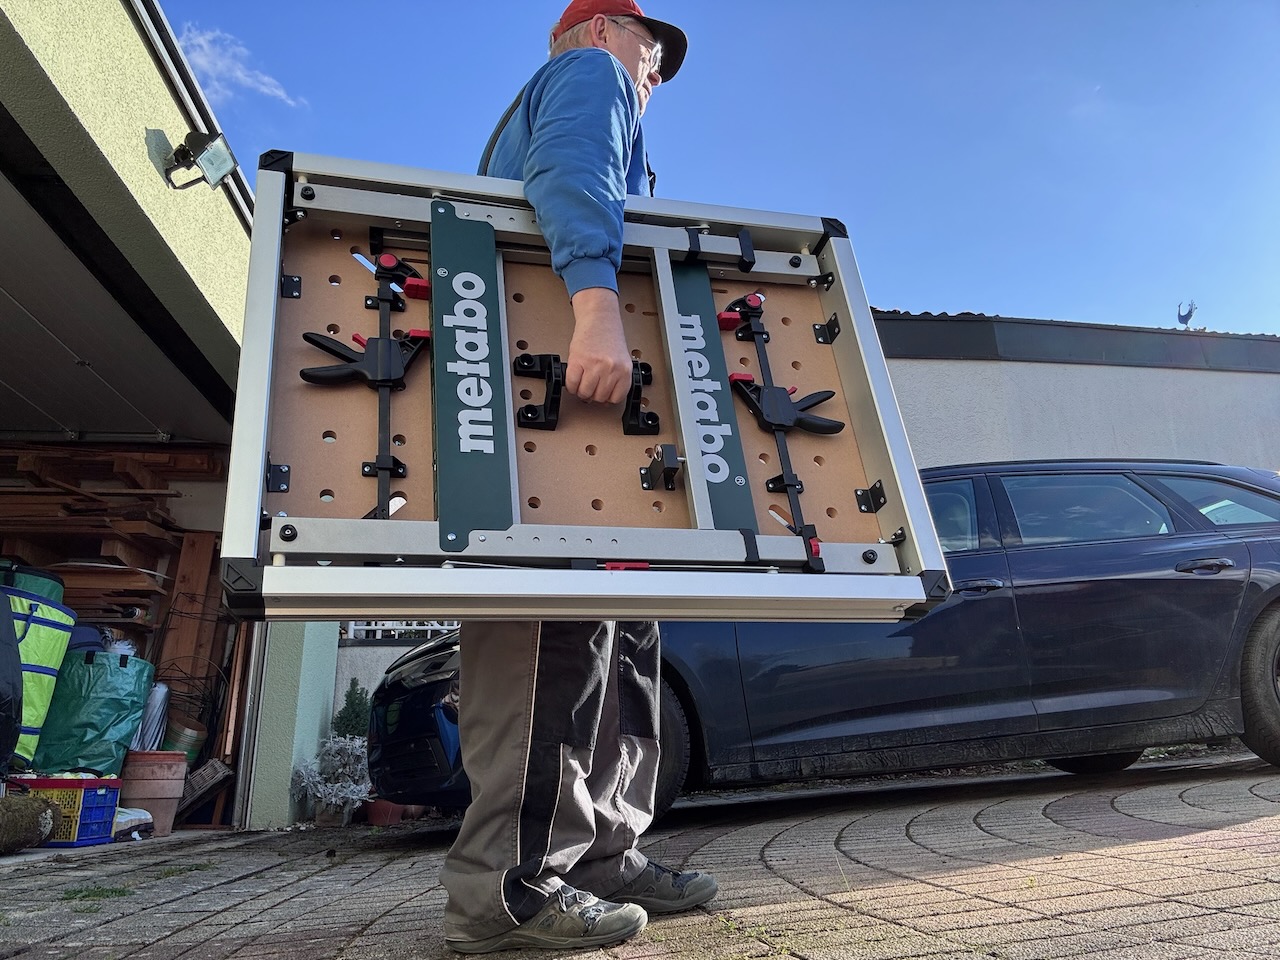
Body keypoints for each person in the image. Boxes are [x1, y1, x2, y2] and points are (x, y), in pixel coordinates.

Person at [438, 2, 716, 954]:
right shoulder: (590, 76)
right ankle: (505, 892)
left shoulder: (592, 90)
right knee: (547, 648)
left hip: (591, 440)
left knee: (617, 645)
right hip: (552, 421)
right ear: (601, 31)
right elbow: (572, 169)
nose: (655, 72)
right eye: (650, 49)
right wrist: (597, 306)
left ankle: (603, 856)